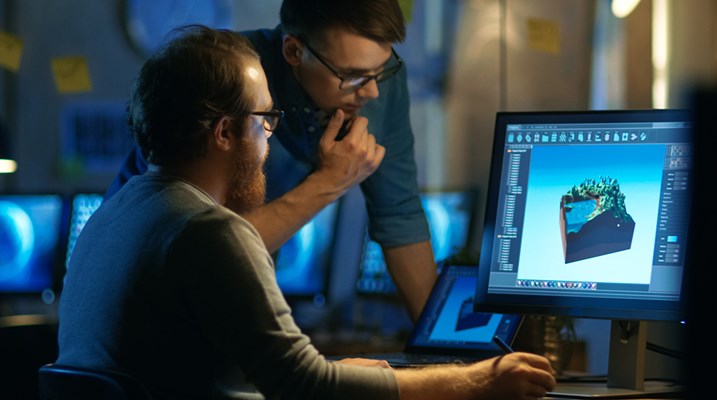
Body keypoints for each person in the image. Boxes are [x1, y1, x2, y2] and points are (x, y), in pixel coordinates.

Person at [57, 25, 556, 399]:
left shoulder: (115, 217)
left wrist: (359, 374)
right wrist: (477, 380)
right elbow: (303, 387)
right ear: (225, 133)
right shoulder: (208, 232)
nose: (272, 137)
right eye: (265, 120)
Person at [106, 0, 436, 322]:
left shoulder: (378, 83)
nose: (372, 92)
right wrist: (329, 182)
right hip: (147, 295)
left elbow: (399, 215)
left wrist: (441, 344)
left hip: (239, 285)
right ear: (293, 51)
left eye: (382, 70)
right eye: (352, 75)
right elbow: (206, 253)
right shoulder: (224, 80)